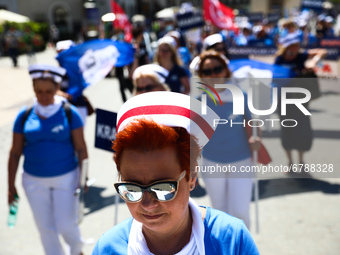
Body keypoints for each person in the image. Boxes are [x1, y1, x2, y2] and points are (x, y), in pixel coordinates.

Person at [92, 91, 260, 254]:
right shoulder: (108, 249)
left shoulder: (231, 240)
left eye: (163, 188)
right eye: (132, 189)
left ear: (192, 176)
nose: (147, 204)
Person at [7, 64, 88, 255]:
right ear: (33, 89)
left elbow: (81, 148)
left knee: (66, 224)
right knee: (45, 229)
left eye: (49, 91)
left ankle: (77, 252)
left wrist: (83, 178)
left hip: (66, 177)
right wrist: (11, 186)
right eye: (39, 91)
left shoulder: (69, 112)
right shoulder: (25, 115)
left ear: (57, 88)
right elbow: (14, 152)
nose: (44, 96)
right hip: (33, 180)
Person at [197, 50, 261, 228]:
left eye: (217, 69)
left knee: (240, 212)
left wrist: (256, 138)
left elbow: (254, 123)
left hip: (241, 161)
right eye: (207, 71)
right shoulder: (198, 101)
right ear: (201, 76)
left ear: (226, 70)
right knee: (220, 213)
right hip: (211, 163)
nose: (213, 74)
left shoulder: (240, 95)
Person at [274, 32, 327, 169]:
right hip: (284, 100)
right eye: (291, 46)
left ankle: (301, 161)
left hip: (300, 101)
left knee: (302, 130)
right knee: (287, 131)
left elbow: (322, 51)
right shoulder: (279, 59)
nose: (294, 48)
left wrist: (314, 61)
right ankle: (290, 162)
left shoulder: (302, 56)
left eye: (296, 45)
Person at [56, 40, 94, 125]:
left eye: (64, 52)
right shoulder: (56, 72)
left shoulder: (80, 69)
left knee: (78, 135)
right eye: (59, 53)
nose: (61, 56)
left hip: (79, 106)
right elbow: (54, 90)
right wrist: (64, 95)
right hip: (61, 107)